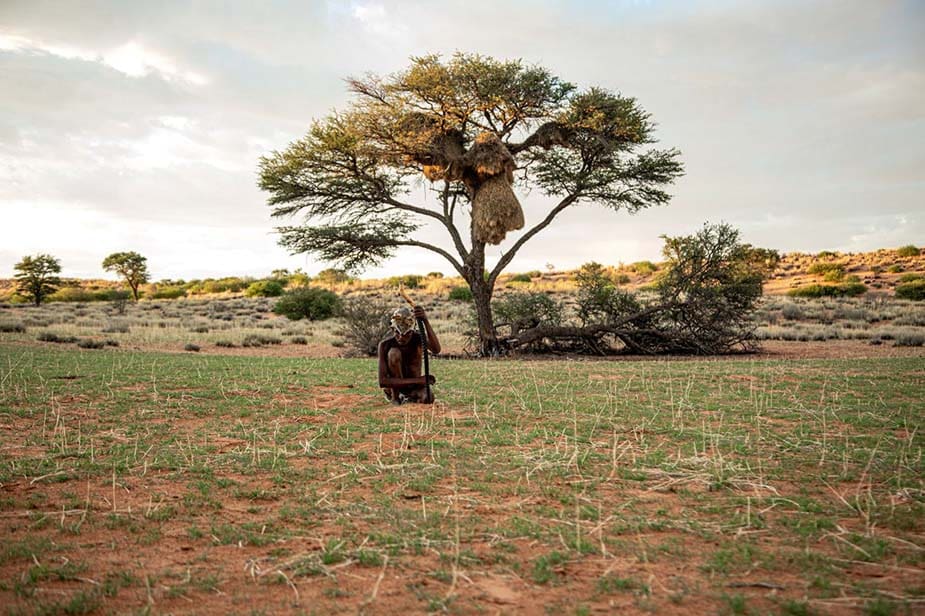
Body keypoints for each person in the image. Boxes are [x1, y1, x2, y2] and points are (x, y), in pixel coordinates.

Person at [378, 305, 441, 404]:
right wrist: (419, 380)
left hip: (415, 388)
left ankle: (408, 397)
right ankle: (396, 397)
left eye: (407, 334)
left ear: (413, 331)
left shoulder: (418, 339)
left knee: (428, 398)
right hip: (395, 388)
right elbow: (383, 382)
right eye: (397, 333)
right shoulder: (385, 345)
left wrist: (425, 320)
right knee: (394, 353)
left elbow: (436, 349)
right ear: (392, 329)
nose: (401, 338)